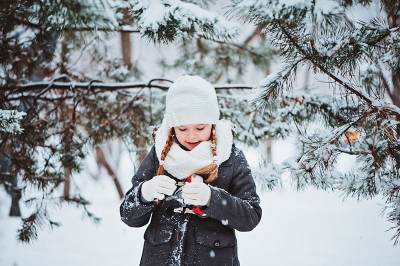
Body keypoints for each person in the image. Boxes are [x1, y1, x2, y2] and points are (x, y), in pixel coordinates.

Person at [120, 75, 262, 266]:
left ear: (212, 124)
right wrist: (145, 193)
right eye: (182, 128)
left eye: (200, 127)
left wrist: (212, 199)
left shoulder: (230, 157)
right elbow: (128, 215)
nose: (191, 135)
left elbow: (250, 217)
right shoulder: (160, 153)